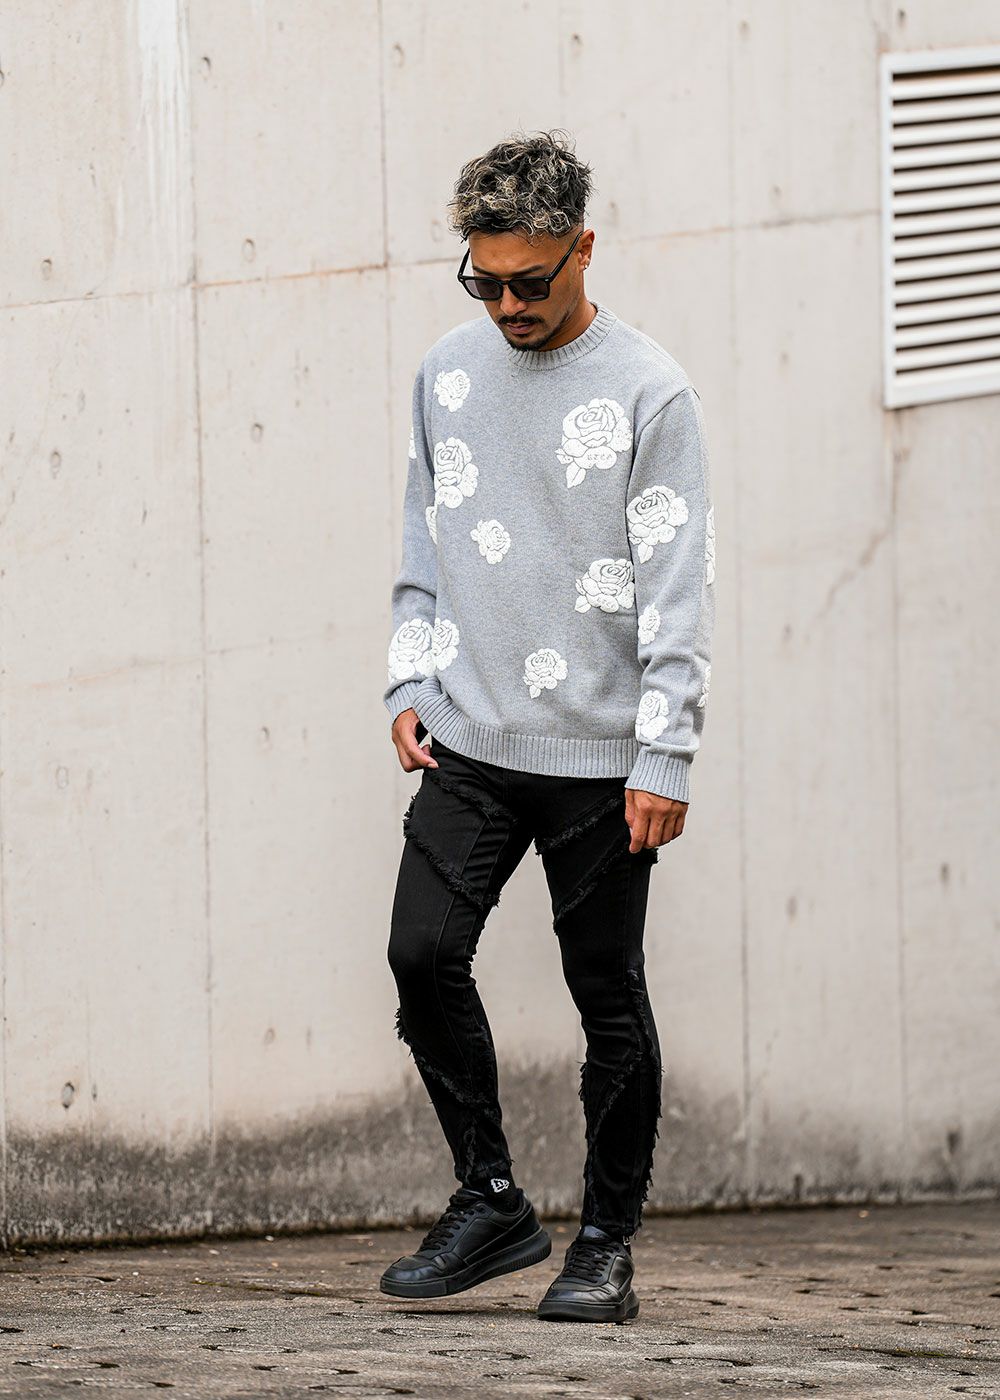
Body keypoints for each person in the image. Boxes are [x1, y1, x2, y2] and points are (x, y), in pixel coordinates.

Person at [378, 128, 716, 1323]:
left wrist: (665, 749)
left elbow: (679, 588)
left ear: (583, 247)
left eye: (530, 280)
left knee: (605, 995)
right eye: (485, 282)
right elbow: (423, 539)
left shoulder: (649, 391)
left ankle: (605, 1245)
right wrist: (407, 681)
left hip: (602, 756)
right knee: (421, 956)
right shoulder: (446, 373)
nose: (508, 305)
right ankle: (491, 1199)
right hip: (469, 734)